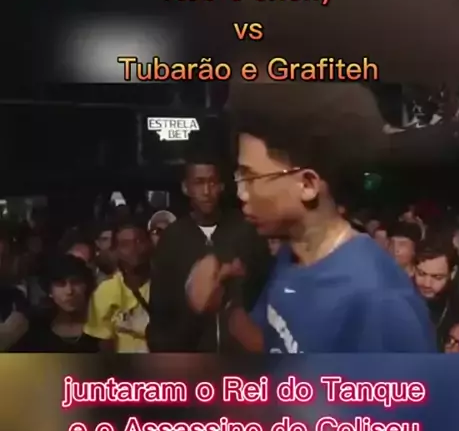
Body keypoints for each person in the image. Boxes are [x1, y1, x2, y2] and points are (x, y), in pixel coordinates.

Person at [185, 82, 436, 353]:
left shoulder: (380, 302)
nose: (242, 193)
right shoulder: (293, 254)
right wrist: (223, 304)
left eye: (250, 177)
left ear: (307, 185)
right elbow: (273, 345)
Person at [146, 153, 271, 352]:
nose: (206, 191)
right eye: (199, 183)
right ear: (186, 187)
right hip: (190, 356)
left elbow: (265, 288)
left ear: (221, 186)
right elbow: (161, 309)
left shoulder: (245, 230)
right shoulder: (172, 238)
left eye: (212, 182)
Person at [83, 220, 152, 353]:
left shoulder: (165, 284)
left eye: (139, 241)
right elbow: (104, 342)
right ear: (115, 251)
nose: (134, 248)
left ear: (150, 244)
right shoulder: (105, 292)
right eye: (125, 244)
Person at [12, 255, 98, 353]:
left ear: (86, 286)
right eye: (61, 284)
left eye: (76, 282)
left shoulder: (102, 328)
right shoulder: (37, 331)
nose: (69, 291)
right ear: (50, 291)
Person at [413, 237, 459, 349]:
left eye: (437, 277)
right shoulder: (400, 297)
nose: (427, 284)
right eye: (421, 274)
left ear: (453, 273)